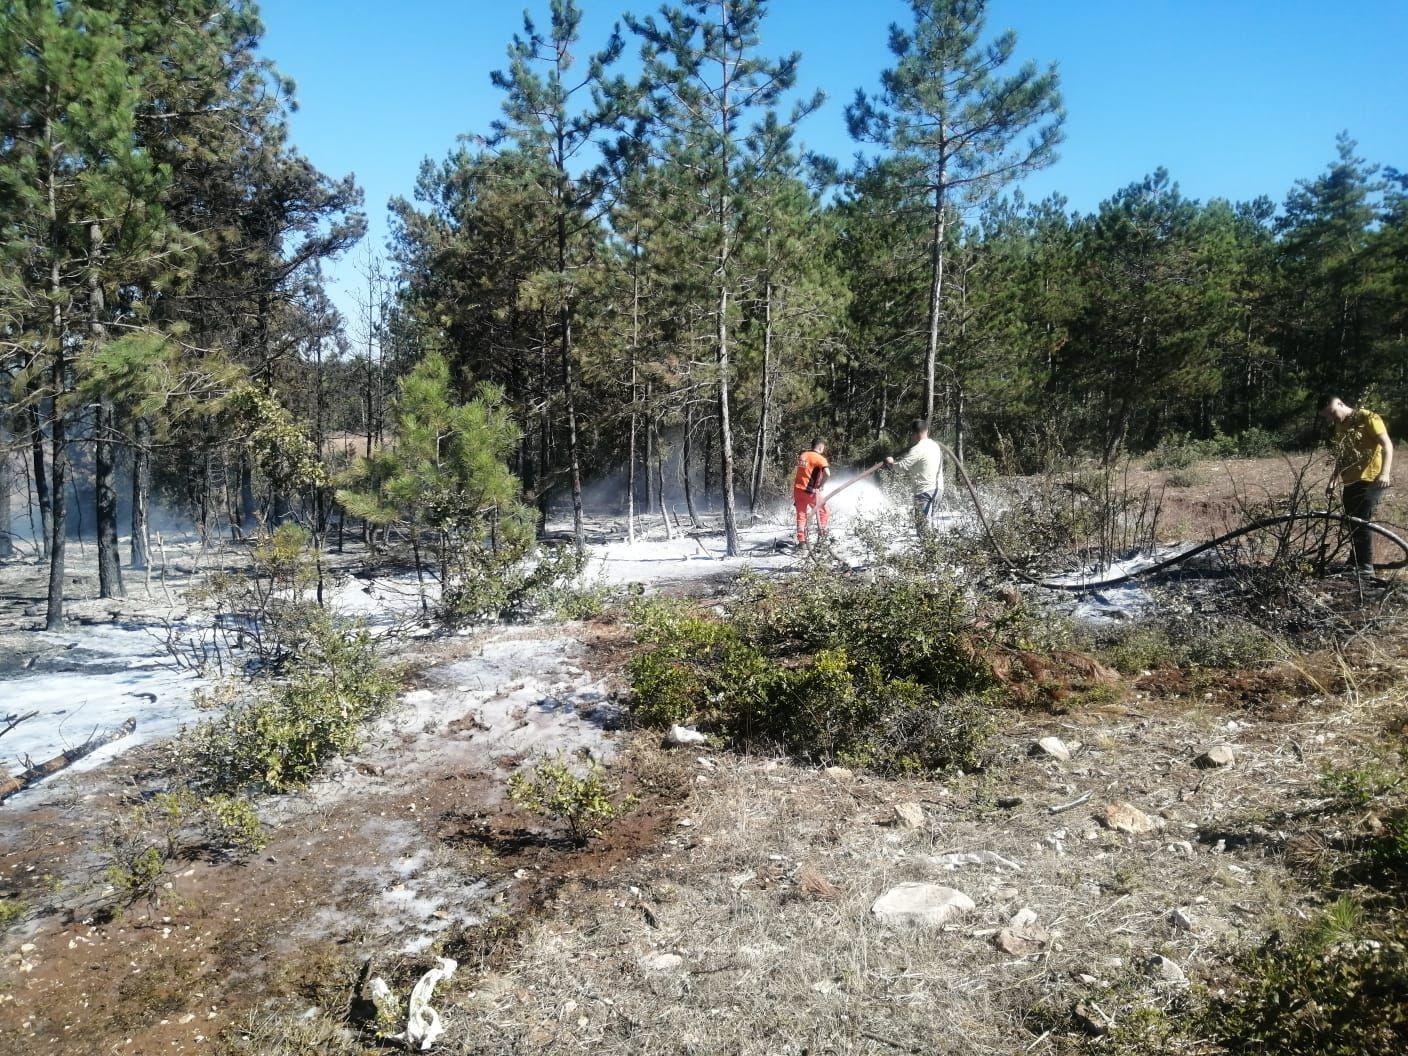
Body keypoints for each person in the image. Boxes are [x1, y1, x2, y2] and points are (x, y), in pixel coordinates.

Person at [1322, 395, 1394, 575]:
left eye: (1332, 413)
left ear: (1340, 403)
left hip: (1372, 479)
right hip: (1351, 480)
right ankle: (1355, 561)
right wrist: (1333, 479)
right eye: (1328, 417)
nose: (1332, 418)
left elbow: (1387, 445)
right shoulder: (1341, 426)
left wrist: (1384, 473)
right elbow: (1343, 456)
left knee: (1361, 522)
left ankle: (1365, 568)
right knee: (1351, 523)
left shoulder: (1368, 417)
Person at [885, 419, 945, 536]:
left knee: (923, 529)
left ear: (914, 434)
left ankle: (929, 551)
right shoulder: (935, 446)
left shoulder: (917, 449)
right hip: (938, 490)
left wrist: (891, 463)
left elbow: (902, 467)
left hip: (924, 492)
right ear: (927, 430)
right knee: (929, 524)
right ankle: (933, 550)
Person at [793, 439, 830, 544]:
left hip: (797, 490)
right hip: (809, 491)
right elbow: (828, 474)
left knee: (801, 515)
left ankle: (801, 542)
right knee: (824, 512)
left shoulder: (803, 455)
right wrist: (822, 485)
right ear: (821, 447)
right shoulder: (820, 458)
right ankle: (821, 539)